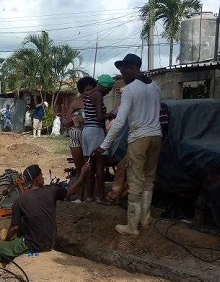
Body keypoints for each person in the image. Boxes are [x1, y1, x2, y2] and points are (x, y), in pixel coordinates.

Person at [93, 53, 162, 236]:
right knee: (149, 178)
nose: (123, 76)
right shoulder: (155, 87)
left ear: (133, 68)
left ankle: (132, 226)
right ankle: (145, 219)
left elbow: (120, 121)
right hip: (156, 137)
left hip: (139, 138)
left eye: (124, 71)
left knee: (135, 181)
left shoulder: (131, 90)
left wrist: (104, 146)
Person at [0, 162, 90, 264]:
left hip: (34, 245)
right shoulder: (52, 191)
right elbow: (72, 190)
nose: (42, 178)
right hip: (50, 241)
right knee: (14, 230)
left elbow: (14, 227)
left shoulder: (20, 200)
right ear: (37, 179)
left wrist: (6, 240)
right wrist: (83, 175)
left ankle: (3, 267)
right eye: (41, 175)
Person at [82, 74, 115, 203]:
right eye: (108, 89)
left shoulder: (88, 94)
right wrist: (111, 114)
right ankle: (101, 197)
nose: (108, 92)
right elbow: (100, 117)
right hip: (95, 131)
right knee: (100, 167)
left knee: (89, 165)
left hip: (86, 131)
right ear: (104, 86)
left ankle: (89, 195)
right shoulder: (98, 95)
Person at [64, 76, 97, 187]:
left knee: (89, 167)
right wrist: (73, 120)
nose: (88, 92)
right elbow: (66, 123)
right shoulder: (75, 104)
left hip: (90, 135)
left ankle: (89, 192)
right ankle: (80, 194)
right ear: (81, 90)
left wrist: (85, 120)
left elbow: (99, 119)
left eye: (91, 90)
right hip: (76, 135)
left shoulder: (96, 102)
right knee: (79, 168)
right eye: (86, 90)